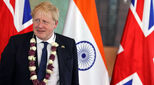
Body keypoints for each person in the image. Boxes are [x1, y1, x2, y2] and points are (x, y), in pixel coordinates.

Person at [0, 1, 79, 85]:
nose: (40, 25)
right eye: (37, 20)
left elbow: (74, 80)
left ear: (55, 24)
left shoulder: (69, 44)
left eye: (45, 21)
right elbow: (4, 78)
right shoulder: (16, 43)